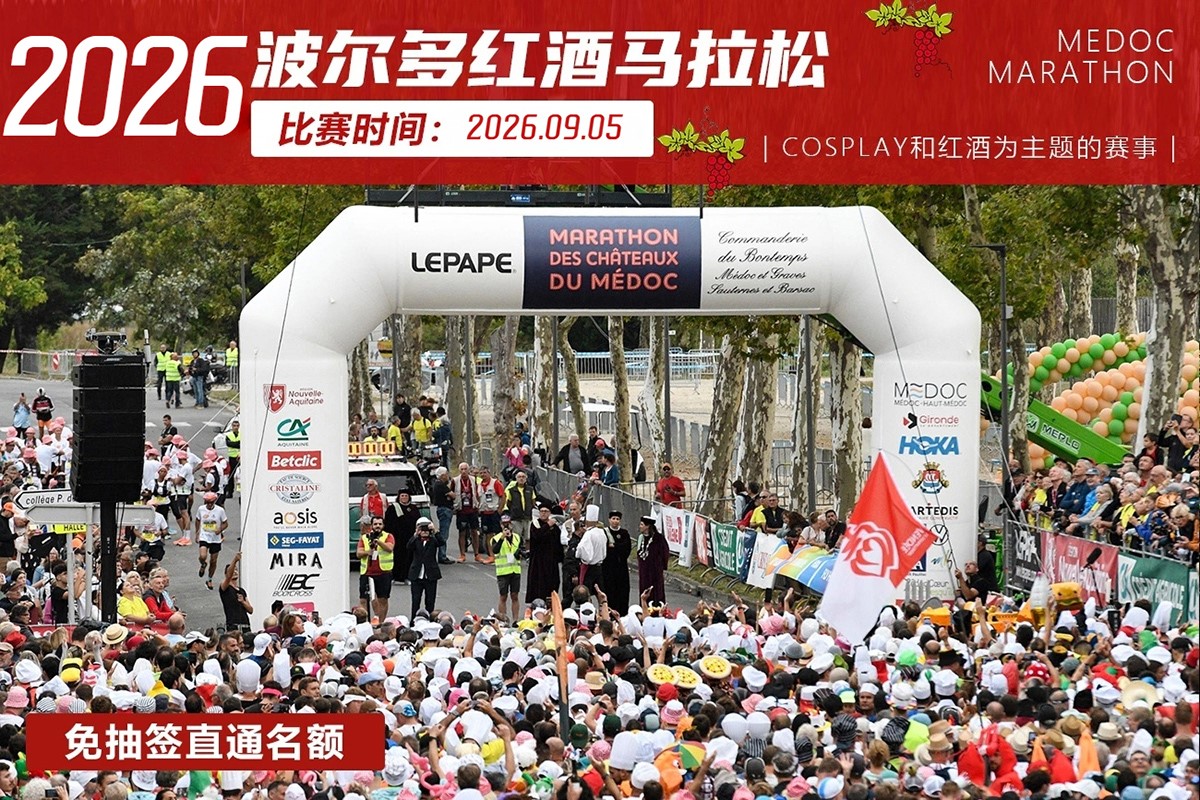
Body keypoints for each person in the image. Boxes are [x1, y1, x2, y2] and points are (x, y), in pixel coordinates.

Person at [357, 516, 395, 620]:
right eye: (375, 524)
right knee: (363, 599)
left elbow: (390, 548)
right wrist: (367, 552)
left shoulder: (388, 536)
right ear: (372, 525)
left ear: (383, 525)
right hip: (367, 573)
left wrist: (378, 541)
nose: (377, 526)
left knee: (383, 599)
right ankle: (364, 622)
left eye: (380, 524)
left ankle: (381, 622)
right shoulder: (364, 538)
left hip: (383, 573)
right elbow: (359, 553)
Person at [525, 504, 562, 606]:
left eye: (546, 511)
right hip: (538, 561)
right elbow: (538, 536)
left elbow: (558, 543)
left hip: (551, 562)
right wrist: (547, 526)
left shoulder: (555, 527)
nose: (543, 513)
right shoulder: (535, 525)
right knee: (538, 585)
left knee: (552, 585)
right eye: (541, 511)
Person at [407, 517, 441, 616]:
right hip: (417, 576)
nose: (425, 532)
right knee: (415, 600)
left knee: (430, 601)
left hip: (430, 576)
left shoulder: (433, 541)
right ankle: (414, 620)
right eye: (422, 530)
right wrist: (415, 535)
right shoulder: (416, 541)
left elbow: (442, 542)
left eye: (427, 530)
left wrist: (435, 531)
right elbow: (408, 547)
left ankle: (429, 619)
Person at [384, 489, 419, 586]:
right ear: (399, 497)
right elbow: (388, 523)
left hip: (410, 537)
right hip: (397, 538)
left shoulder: (413, 508)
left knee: (410, 557)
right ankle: (397, 577)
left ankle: (408, 577)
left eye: (406, 496)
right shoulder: (393, 508)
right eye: (402, 496)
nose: (404, 498)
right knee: (398, 557)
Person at [600, 510, 632, 614]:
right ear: (609, 520)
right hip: (608, 567)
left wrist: (615, 546)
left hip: (621, 567)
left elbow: (626, 548)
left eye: (617, 519)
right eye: (613, 518)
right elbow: (605, 548)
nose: (615, 521)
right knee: (609, 590)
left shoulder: (624, 533)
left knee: (622, 591)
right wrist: (616, 548)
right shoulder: (605, 532)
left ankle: (622, 613)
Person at [195, 492, 228, 589]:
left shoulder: (220, 510)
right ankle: (203, 564)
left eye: (211, 502)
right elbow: (197, 520)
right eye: (207, 502)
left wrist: (220, 529)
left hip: (215, 538)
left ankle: (209, 579)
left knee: (213, 561)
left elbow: (225, 523)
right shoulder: (201, 509)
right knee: (203, 556)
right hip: (204, 536)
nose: (209, 504)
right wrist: (197, 533)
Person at [492, 514, 521, 621]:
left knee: (515, 596)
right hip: (503, 571)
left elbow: (521, 549)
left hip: (515, 570)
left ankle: (515, 620)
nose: (506, 526)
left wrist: (520, 553)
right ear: (500, 525)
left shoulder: (517, 537)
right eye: (504, 524)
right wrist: (502, 538)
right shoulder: (496, 538)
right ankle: (503, 619)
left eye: (508, 524)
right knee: (503, 596)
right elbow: (495, 550)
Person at [453, 462, 482, 562]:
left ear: (468, 470)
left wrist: (478, 504)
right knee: (462, 532)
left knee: (475, 532)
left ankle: (477, 554)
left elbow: (477, 492)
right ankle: (462, 554)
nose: (464, 471)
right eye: (462, 469)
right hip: (461, 510)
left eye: (465, 469)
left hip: (472, 509)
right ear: (459, 470)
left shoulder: (473, 480)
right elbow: (451, 492)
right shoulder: (455, 480)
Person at [636, 515, 668, 604]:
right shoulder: (641, 538)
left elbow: (664, 552)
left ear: (647, 526)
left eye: (642, 524)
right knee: (644, 589)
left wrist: (661, 566)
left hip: (655, 571)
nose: (640, 526)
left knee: (656, 590)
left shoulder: (658, 538)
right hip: (644, 571)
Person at [504, 470, 536, 554]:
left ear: (526, 478)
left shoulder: (530, 489)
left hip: (527, 517)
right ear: (516, 479)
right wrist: (514, 510)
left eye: (523, 477)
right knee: (516, 537)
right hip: (516, 518)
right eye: (519, 477)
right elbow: (509, 503)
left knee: (528, 537)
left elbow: (533, 501)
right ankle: (516, 552)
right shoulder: (511, 490)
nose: (521, 479)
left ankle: (528, 553)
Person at [219, 552, 252, 631]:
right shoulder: (225, 587)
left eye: (236, 569)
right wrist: (235, 560)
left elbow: (251, 610)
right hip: (233, 626)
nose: (235, 572)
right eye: (233, 570)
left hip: (245, 625)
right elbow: (229, 576)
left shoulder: (242, 591)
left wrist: (243, 602)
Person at [430, 466, 455, 564]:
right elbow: (453, 495)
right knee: (444, 534)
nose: (448, 476)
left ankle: (442, 554)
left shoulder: (437, 484)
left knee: (444, 532)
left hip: (442, 509)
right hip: (444, 510)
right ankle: (442, 555)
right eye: (446, 474)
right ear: (442, 475)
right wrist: (450, 495)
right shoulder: (440, 485)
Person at [222, 419, 240, 499]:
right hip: (232, 457)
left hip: (241, 457)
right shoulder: (229, 435)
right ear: (232, 427)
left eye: (237, 426)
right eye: (234, 426)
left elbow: (242, 443)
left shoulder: (242, 434)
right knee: (231, 475)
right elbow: (229, 444)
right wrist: (238, 443)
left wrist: (235, 444)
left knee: (242, 475)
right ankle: (230, 492)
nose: (236, 427)